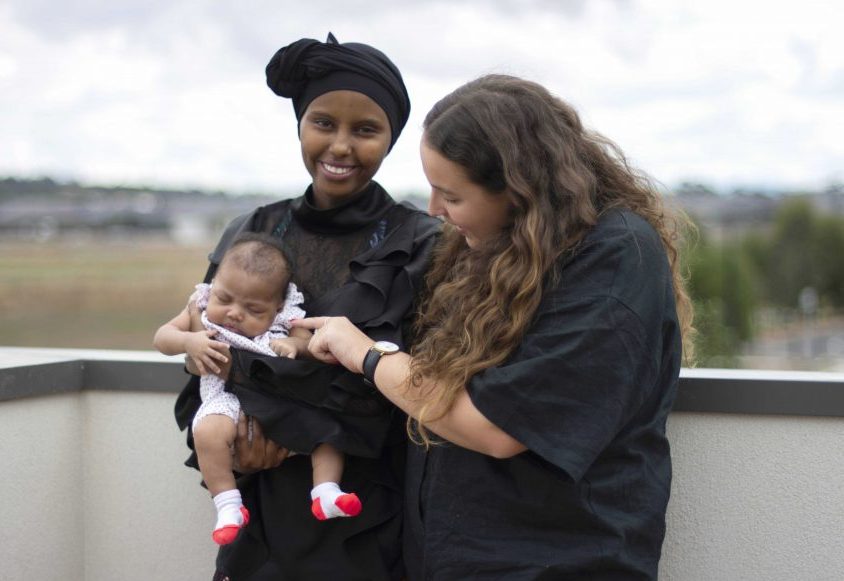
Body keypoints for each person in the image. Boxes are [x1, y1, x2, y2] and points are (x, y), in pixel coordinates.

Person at [295, 74, 695, 580]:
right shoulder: (496, 245)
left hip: (559, 564)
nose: (435, 210)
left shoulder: (614, 258)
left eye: (451, 195)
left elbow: (497, 426)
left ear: (518, 189)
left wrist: (366, 355)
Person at [172, 33, 441, 580]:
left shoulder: (422, 243)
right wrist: (238, 448)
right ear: (300, 124)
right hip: (259, 513)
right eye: (323, 123)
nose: (341, 146)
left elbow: (431, 381)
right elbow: (200, 355)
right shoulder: (251, 231)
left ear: (391, 139)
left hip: (367, 514)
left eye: (365, 129)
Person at [156, 234, 363, 546]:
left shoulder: (286, 316)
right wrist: (189, 341)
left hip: (283, 404)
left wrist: (294, 344)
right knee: (206, 432)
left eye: (253, 310)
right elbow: (162, 337)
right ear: (215, 287)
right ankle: (228, 505)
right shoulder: (199, 306)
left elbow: (309, 344)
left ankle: (325, 492)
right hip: (226, 399)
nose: (235, 313)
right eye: (224, 300)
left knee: (329, 433)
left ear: (277, 305)